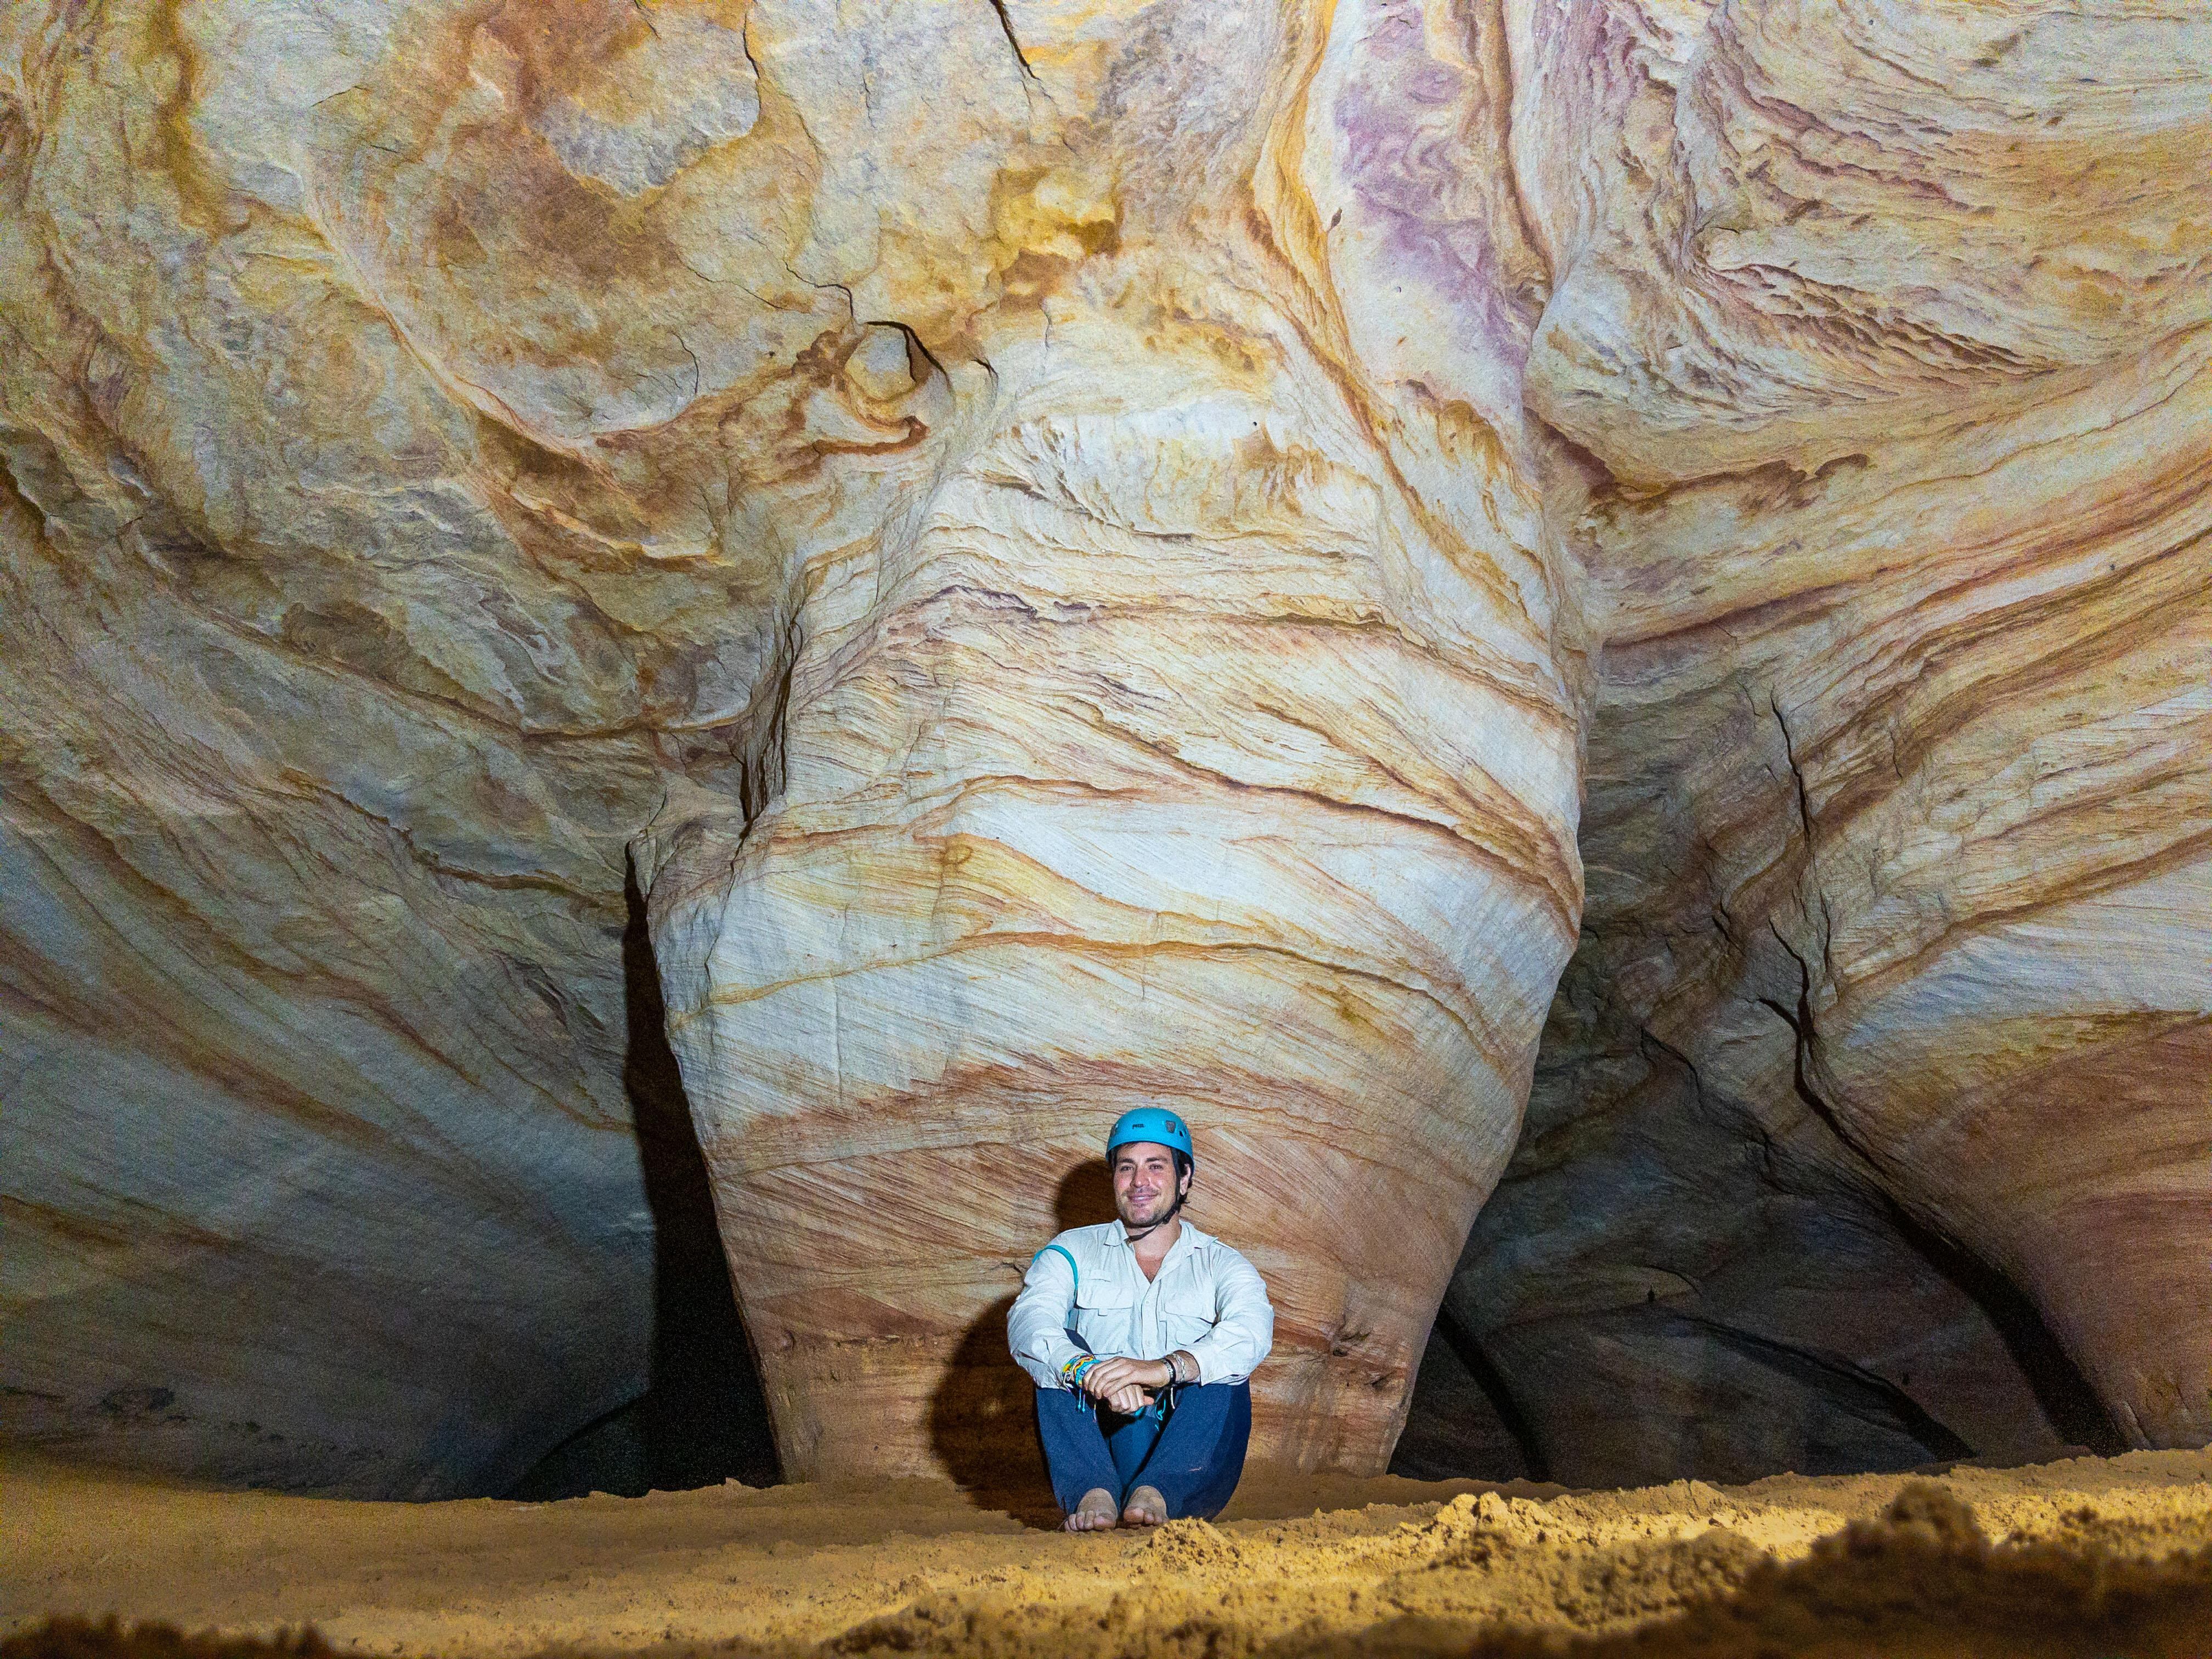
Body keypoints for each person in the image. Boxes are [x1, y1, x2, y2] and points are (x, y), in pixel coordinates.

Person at [1007, 1108, 1274, 1531]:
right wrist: (1091, 1372)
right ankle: (1092, 1492)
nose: (1139, 1183)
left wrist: (1160, 1370)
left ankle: (1159, 1491)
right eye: (1126, 1168)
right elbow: (1029, 1324)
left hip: (1192, 1453)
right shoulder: (1071, 1250)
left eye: (1156, 1167)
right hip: (1100, 1438)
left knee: (1225, 1362)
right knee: (1056, 1353)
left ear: (1184, 1179)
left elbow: (1252, 1334)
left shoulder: (1224, 1265)